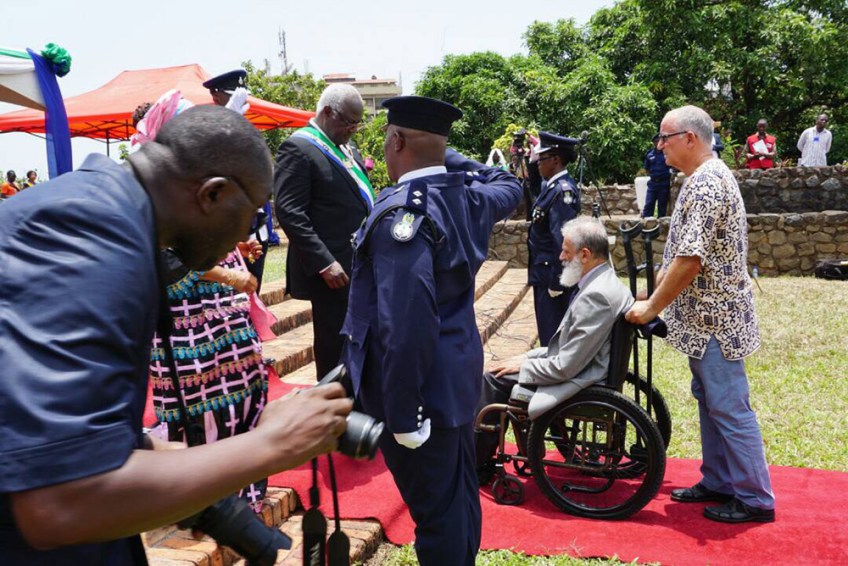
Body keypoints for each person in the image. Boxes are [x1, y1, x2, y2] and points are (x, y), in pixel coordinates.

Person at [0, 105, 352, 563]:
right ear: (213, 194)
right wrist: (272, 444)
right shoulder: (91, 238)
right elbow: (58, 502)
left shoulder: (99, 212)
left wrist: (215, 503)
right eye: (250, 215)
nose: (247, 233)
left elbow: (83, 436)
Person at [341, 95, 521, 565]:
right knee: (456, 500)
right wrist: (444, 154)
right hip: (455, 380)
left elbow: (405, 327)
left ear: (397, 141)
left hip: (420, 394)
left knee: (439, 516)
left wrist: (404, 414)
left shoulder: (404, 216)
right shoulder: (468, 196)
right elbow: (509, 184)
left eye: (387, 140)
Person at [626, 105, 775, 524]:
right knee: (711, 401)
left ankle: (755, 498)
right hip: (706, 319)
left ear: (689, 139)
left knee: (728, 406)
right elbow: (681, 257)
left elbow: (690, 261)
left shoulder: (708, 183)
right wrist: (648, 294)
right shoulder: (700, 179)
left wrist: (651, 307)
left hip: (716, 321)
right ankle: (720, 480)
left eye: (664, 138)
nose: (660, 147)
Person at [476, 217, 633, 476]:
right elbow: (567, 349)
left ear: (585, 255)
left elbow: (565, 366)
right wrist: (527, 357)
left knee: (492, 379)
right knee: (505, 368)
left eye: (566, 251)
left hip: (582, 381)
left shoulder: (596, 296)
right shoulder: (603, 282)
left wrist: (526, 366)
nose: (560, 257)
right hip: (587, 368)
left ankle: (476, 463)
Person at [274, 83, 373, 380]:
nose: (353, 130)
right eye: (349, 122)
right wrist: (324, 262)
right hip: (332, 272)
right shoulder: (298, 148)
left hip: (360, 265)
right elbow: (290, 212)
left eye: (357, 123)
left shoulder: (346, 149)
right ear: (328, 112)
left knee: (360, 343)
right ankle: (332, 401)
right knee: (335, 346)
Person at [528, 131, 582, 345]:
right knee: (547, 331)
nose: (538, 163)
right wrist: (531, 160)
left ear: (556, 160)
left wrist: (558, 281)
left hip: (551, 273)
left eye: (542, 159)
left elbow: (562, 240)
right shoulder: (550, 187)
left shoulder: (562, 191)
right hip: (543, 271)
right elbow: (534, 186)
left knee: (553, 336)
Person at [642, 135, 674, 217]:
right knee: (649, 204)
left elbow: (672, 166)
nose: (657, 143)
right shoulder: (649, 154)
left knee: (662, 206)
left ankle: (661, 224)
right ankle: (646, 222)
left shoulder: (666, 153)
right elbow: (646, 168)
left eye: (658, 141)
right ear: (653, 143)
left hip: (663, 183)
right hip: (653, 184)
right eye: (655, 141)